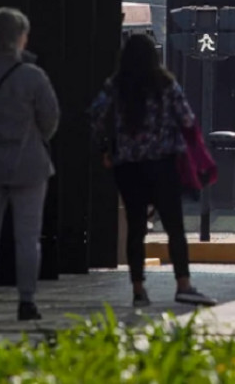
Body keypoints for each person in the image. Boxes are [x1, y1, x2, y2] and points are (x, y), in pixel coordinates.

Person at [91, 34, 217, 309]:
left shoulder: (115, 86)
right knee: (174, 227)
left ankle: (138, 290)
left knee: (136, 228)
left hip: (127, 166)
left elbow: (97, 117)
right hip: (163, 164)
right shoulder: (166, 84)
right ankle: (183, 285)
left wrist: (108, 147)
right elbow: (186, 118)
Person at [0, 8, 60, 322]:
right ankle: (26, 302)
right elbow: (50, 120)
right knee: (28, 237)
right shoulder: (33, 76)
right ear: (19, 37)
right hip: (28, 164)